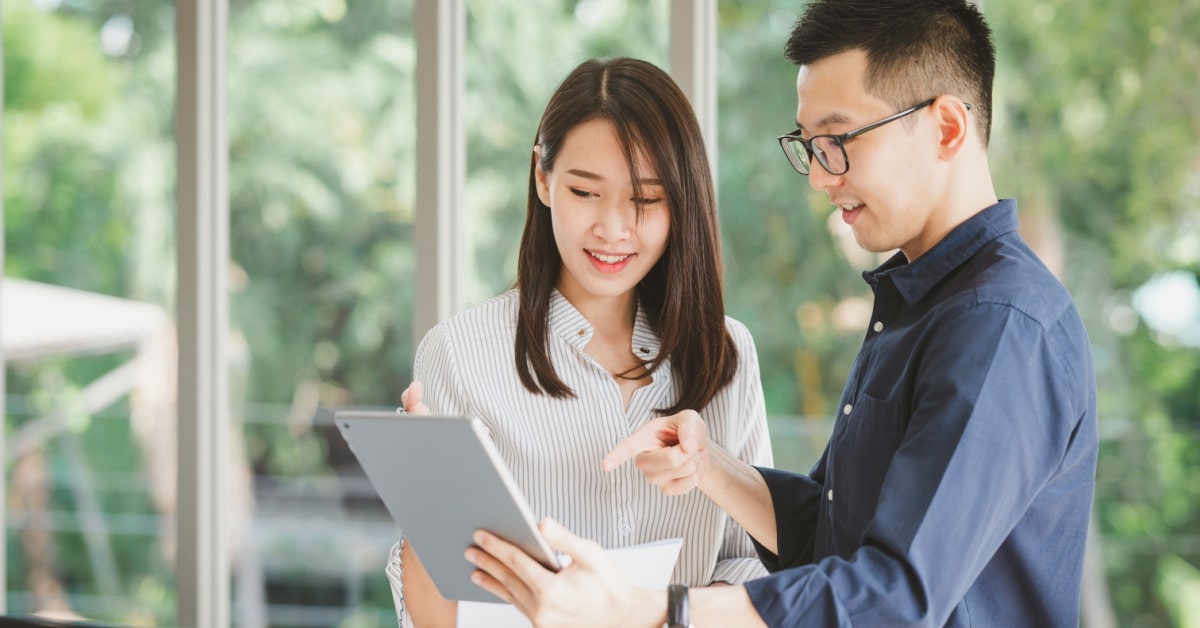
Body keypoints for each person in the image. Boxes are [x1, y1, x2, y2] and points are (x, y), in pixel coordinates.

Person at [463, 1, 1099, 626]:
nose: (820, 177)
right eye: (810, 144)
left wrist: (651, 610)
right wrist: (710, 466)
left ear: (946, 129)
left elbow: (893, 597)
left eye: (838, 141)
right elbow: (829, 527)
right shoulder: (919, 303)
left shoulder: (1002, 325)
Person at [386, 57, 773, 626]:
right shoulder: (461, 354)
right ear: (543, 179)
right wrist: (426, 507)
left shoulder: (727, 355)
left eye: (645, 200)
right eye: (586, 192)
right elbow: (431, 613)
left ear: (681, 201)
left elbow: (757, 568)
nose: (613, 229)